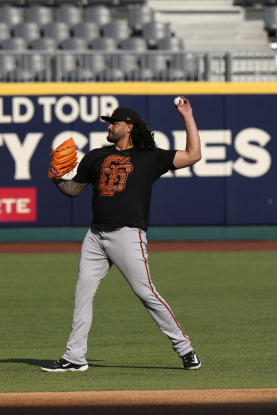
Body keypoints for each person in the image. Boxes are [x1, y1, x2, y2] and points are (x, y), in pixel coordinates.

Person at [42, 97, 202, 372]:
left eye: (114, 122)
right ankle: (75, 357)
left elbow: (193, 155)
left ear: (128, 127)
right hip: (96, 235)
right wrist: (57, 178)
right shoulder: (96, 156)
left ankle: (185, 349)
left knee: (146, 293)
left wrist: (187, 115)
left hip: (128, 235)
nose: (109, 126)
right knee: (83, 293)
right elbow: (74, 190)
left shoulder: (149, 156)